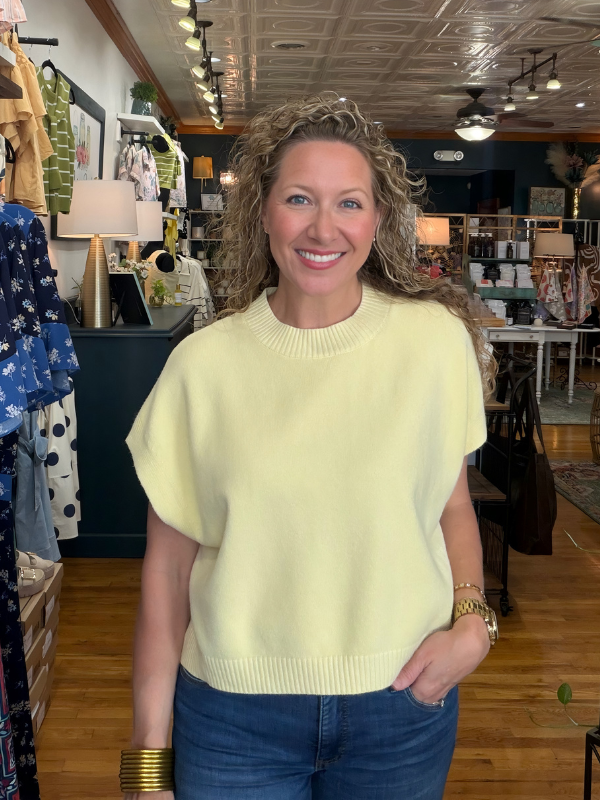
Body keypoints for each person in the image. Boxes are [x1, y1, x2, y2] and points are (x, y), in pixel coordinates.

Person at [123, 95, 498, 800]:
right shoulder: (202, 367)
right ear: (263, 212)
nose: (324, 228)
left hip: (402, 705)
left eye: (349, 203)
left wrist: (474, 624)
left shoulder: (432, 345)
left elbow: (450, 506)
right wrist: (146, 764)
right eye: (299, 199)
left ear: (378, 220)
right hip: (233, 718)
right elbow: (167, 573)